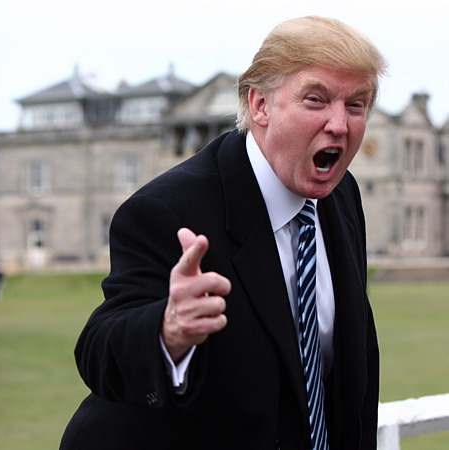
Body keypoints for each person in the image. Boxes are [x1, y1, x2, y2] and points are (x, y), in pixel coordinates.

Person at [61, 16, 387, 450]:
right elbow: (100, 350)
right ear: (260, 106)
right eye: (315, 100)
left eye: (356, 105)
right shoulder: (166, 210)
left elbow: (346, 373)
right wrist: (167, 331)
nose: (340, 125)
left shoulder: (341, 194)